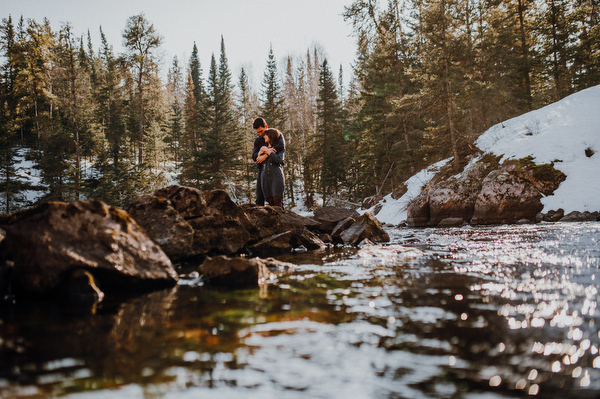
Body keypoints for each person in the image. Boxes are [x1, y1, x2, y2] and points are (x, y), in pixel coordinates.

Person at [252, 117, 285, 205]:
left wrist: (266, 153)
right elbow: (254, 156)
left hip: (274, 167)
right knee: (259, 195)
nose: (260, 134)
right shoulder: (258, 140)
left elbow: (280, 147)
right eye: (258, 132)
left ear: (265, 126)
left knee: (277, 197)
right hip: (262, 168)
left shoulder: (276, 135)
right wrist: (262, 154)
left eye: (261, 131)